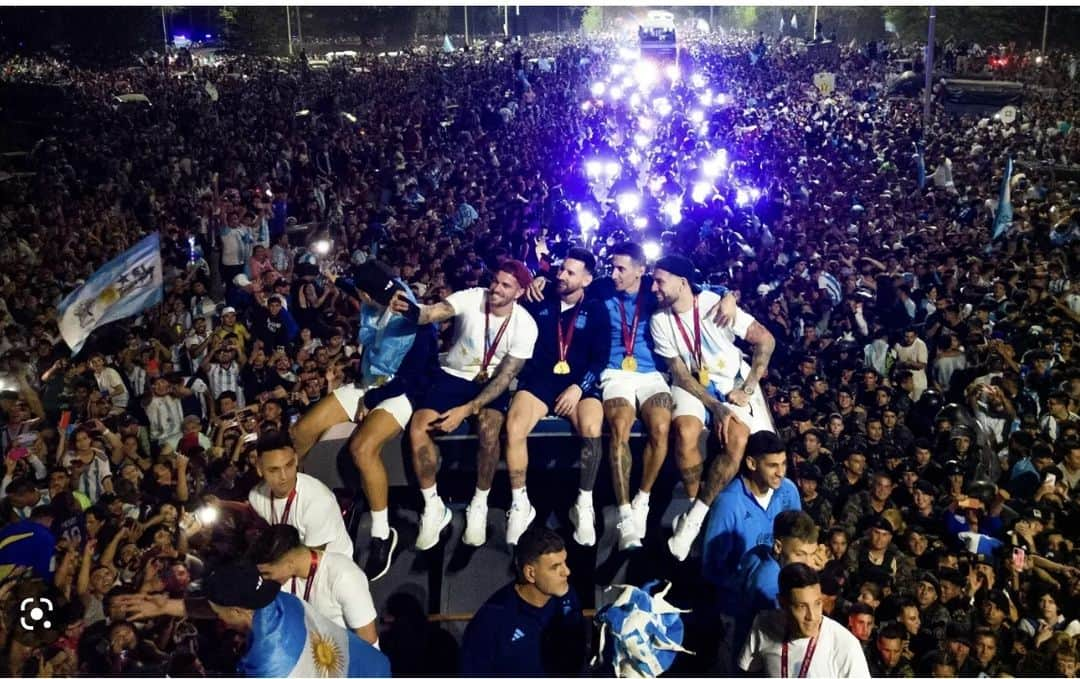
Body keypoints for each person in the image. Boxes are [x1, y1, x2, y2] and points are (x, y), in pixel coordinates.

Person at [290, 260, 438, 580]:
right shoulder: (372, 299)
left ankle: (382, 534)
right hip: (367, 383)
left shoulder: (419, 321)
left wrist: (371, 402)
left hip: (399, 392)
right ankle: (297, 504)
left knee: (362, 448)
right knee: (300, 432)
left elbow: (412, 379)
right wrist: (333, 278)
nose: (394, 296)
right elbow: (351, 286)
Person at [392, 259, 538, 549]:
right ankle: (433, 506)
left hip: (490, 383)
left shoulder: (525, 326)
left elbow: (504, 378)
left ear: (519, 292)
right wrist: (413, 311)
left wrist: (467, 410)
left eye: (505, 285)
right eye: (495, 280)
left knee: (489, 429)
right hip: (453, 375)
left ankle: (479, 502)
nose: (496, 288)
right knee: (419, 427)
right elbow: (435, 312)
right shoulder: (473, 297)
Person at [649, 254, 777, 560]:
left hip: (730, 385)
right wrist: (714, 407)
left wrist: (747, 388)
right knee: (685, 429)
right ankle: (696, 507)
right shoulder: (659, 320)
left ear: (682, 283)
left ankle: (694, 519)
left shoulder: (712, 303)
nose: (654, 287)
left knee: (739, 440)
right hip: (693, 386)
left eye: (659, 281)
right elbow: (679, 373)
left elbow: (766, 340)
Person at [504, 248, 609, 546]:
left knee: (591, 429)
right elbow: (513, 289)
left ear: (587, 280)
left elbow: (600, 358)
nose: (562, 275)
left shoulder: (597, 308)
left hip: (579, 382)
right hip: (541, 380)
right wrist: (536, 279)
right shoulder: (541, 297)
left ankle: (584, 503)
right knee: (514, 427)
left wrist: (579, 387)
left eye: (570, 273)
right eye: (561, 269)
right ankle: (519, 502)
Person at [594, 242, 674, 550]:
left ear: (641, 270)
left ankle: (643, 500)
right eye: (612, 267)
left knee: (661, 427)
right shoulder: (601, 289)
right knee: (620, 427)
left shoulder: (654, 292)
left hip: (651, 373)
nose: (613, 274)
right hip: (614, 372)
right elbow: (570, 286)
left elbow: (698, 287)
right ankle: (625, 515)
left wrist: (727, 297)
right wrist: (541, 279)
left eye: (621, 269)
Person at [202, 560, 390, 677]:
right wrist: (171, 606)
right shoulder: (283, 601)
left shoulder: (266, 665)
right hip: (373, 667)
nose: (222, 621)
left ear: (236, 611)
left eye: (219, 614)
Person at [459, 525, 585, 676]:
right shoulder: (491, 621)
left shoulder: (567, 597)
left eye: (565, 562)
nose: (567, 572)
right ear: (530, 573)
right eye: (555, 567)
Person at [251, 524, 378, 645]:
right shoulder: (286, 579)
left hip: (346, 658)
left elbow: (368, 640)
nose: (265, 578)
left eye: (268, 573)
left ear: (289, 563)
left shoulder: (344, 576)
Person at [739, 563, 871, 678]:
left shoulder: (845, 645)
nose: (812, 616)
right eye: (802, 606)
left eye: (817, 603)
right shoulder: (764, 624)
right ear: (782, 603)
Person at [247, 430, 353, 558]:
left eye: (289, 465)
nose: (284, 476)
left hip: (330, 567)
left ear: (296, 459)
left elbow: (313, 563)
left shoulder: (318, 501)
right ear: (259, 469)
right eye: (274, 470)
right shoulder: (256, 497)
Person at [731, 510, 821, 660]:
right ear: (778, 547)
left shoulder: (760, 552)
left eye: (812, 554)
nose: (809, 564)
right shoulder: (771, 589)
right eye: (800, 554)